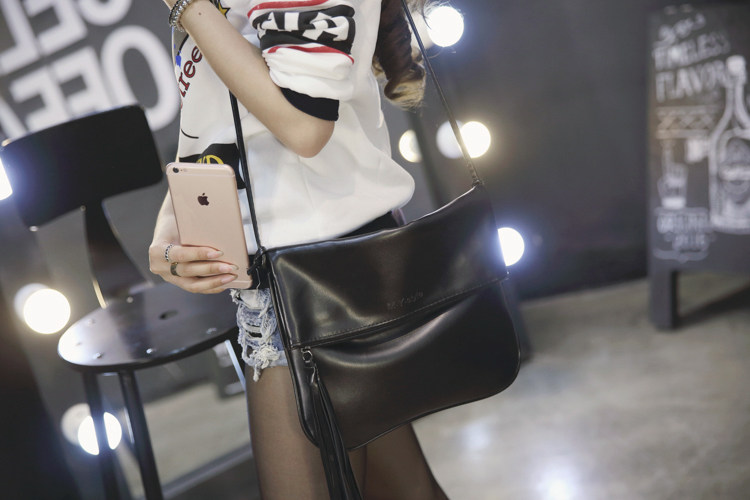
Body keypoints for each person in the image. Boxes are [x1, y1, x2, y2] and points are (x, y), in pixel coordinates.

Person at [148, 0, 449, 498]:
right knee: (403, 489)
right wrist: (170, 227)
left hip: (315, 277)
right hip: (295, 270)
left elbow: (305, 125)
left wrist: (189, 7)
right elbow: (216, 126)